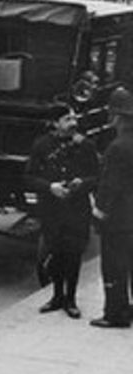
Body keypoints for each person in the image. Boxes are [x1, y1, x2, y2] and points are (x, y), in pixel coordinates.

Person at [24, 107, 99, 319]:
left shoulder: (86, 146)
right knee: (55, 251)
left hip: (76, 209)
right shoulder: (41, 145)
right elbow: (29, 177)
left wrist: (81, 183)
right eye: (67, 119)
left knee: (74, 253)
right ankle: (57, 296)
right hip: (52, 208)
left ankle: (71, 299)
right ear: (55, 123)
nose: (73, 122)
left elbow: (96, 176)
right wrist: (50, 187)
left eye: (74, 117)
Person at [91, 87, 133, 328]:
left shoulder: (117, 147)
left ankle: (115, 313)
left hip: (119, 219)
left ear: (118, 117)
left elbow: (110, 186)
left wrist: (99, 211)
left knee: (115, 266)